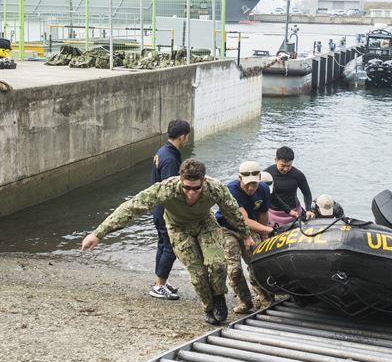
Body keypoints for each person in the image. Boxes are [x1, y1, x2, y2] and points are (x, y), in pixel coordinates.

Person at [81, 159, 255, 325]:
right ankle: (208, 309)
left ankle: (218, 298)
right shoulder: (165, 189)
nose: (191, 193)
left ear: (203, 181)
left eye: (196, 188)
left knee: (217, 264)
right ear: (181, 180)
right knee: (198, 273)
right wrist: (98, 233)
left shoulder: (215, 188)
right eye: (187, 188)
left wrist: (245, 234)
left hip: (205, 224)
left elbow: (232, 210)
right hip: (178, 228)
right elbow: (131, 208)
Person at [216, 161, 276, 313]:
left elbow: (263, 214)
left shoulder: (263, 189)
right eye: (247, 184)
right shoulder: (231, 190)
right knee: (234, 270)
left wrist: (265, 237)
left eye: (254, 184)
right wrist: (269, 229)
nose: (251, 188)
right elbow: (244, 221)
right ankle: (245, 301)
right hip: (228, 229)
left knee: (257, 263)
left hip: (253, 228)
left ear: (260, 179)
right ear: (239, 178)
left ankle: (265, 298)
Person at [149, 119, 190, 301]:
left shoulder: (163, 151)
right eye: (187, 136)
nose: (187, 139)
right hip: (165, 210)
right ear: (182, 137)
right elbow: (170, 190)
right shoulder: (170, 159)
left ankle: (160, 282)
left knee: (162, 244)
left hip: (157, 208)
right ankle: (159, 285)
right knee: (170, 248)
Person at [264, 146, 315, 225]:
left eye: (289, 166)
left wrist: (308, 209)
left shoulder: (298, 175)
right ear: (276, 160)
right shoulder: (267, 174)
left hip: (295, 213)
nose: (285, 169)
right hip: (273, 214)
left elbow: (307, 193)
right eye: (283, 165)